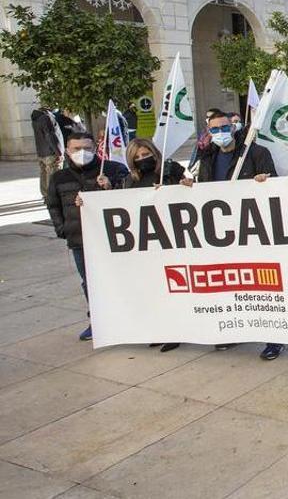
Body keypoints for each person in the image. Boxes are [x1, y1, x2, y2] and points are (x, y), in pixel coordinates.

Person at [181, 111, 276, 355]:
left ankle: (274, 339)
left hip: (255, 231)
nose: (221, 133)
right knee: (233, 286)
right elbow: (203, 191)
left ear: (234, 128)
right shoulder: (208, 158)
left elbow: (275, 187)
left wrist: (265, 180)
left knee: (264, 286)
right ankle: (234, 331)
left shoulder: (255, 154)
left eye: (225, 127)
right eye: (215, 130)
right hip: (224, 234)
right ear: (208, 133)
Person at [45, 130, 129, 341]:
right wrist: (62, 229)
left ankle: (128, 317)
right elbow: (53, 205)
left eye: (87, 148)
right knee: (89, 281)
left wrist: (111, 187)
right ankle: (98, 320)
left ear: (95, 149)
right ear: (67, 150)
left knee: (121, 277)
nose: (82, 152)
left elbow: (130, 194)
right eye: (77, 149)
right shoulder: (59, 177)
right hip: (80, 239)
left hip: (113, 238)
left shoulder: (112, 169)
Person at [122, 137, 185, 351]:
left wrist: (176, 187)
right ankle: (161, 329)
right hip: (147, 242)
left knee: (174, 288)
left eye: (145, 154)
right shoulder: (129, 180)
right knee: (154, 289)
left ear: (154, 152)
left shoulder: (170, 169)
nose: (142, 159)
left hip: (172, 239)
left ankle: (177, 330)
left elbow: (190, 192)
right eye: (137, 157)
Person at [32, 106, 72, 198]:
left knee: (44, 173)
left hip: (41, 151)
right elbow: (51, 136)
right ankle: (52, 195)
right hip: (51, 152)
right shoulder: (47, 117)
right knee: (54, 175)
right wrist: (59, 153)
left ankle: (46, 194)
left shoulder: (36, 117)